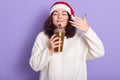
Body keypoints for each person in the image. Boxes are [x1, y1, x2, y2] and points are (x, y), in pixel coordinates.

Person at [29, 1, 105, 80]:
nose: (60, 17)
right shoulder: (42, 37)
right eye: (55, 14)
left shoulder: (79, 38)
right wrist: (49, 49)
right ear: (51, 18)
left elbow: (99, 52)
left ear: (69, 18)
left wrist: (87, 30)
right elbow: (35, 66)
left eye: (64, 14)